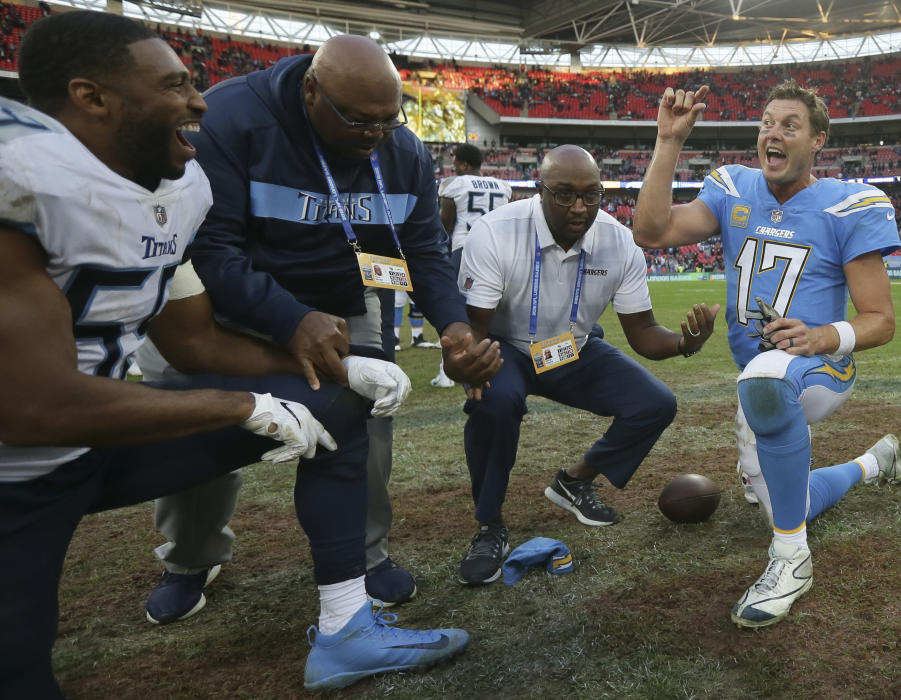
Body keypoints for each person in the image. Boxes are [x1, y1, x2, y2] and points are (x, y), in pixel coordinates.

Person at [0, 12, 470, 696]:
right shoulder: (27, 179)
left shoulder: (172, 182)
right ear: (91, 98)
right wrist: (245, 393)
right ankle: (189, 561)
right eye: (176, 86)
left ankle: (347, 623)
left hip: (97, 440)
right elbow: (37, 406)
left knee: (342, 410)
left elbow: (189, 339)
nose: (198, 103)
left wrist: (348, 366)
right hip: (24, 465)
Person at [146, 34, 502, 617]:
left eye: (389, 121)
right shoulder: (233, 119)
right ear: (311, 91)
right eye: (360, 121)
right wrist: (289, 318)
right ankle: (189, 556)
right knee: (200, 427)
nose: (375, 137)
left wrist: (454, 328)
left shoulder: (402, 151)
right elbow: (211, 249)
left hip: (340, 300)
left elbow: (423, 251)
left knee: (367, 419)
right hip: (222, 308)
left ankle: (365, 555)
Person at [632, 81, 901, 629]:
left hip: (821, 368)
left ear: (817, 142)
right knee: (790, 503)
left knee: (765, 381)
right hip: (762, 374)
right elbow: (651, 230)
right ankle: (875, 461)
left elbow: (881, 320)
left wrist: (823, 336)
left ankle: (792, 563)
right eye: (766, 122)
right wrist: (668, 143)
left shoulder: (846, 205)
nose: (772, 134)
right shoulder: (734, 189)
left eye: (789, 125)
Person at [455, 145, 720, 585]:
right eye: (563, 194)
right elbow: (475, 326)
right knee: (495, 404)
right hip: (507, 348)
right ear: (540, 191)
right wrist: (473, 366)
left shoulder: (619, 242)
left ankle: (574, 481)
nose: (579, 207)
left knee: (655, 403)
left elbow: (642, 333)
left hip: (570, 349)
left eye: (591, 195)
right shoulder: (497, 231)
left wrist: (684, 343)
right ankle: (489, 525)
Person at [430, 143, 513, 387]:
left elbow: (444, 224)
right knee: (492, 314)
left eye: (455, 162)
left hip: (466, 250)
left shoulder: (454, 184)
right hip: (501, 253)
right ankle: (495, 363)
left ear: (464, 164)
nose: (453, 166)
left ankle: (448, 371)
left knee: (455, 313)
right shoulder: (502, 185)